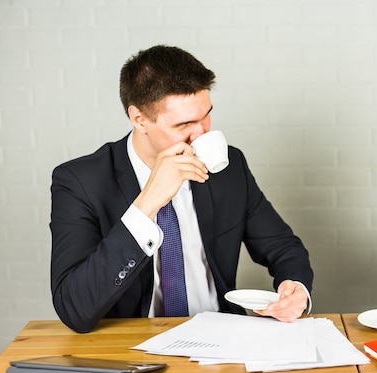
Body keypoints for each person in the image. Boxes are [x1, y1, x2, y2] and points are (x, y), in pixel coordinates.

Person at [50, 45, 313, 333]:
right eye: (185, 123)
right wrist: (147, 202)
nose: (202, 133)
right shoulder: (80, 182)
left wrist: (295, 287)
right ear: (139, 119)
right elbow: (74, 309)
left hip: (221, 337)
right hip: (131, 345)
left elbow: (283, 247)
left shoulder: (229, 166)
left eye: (206, 115)